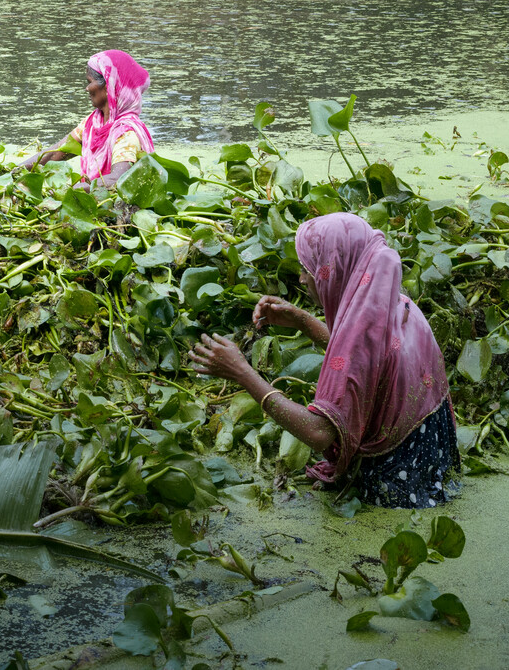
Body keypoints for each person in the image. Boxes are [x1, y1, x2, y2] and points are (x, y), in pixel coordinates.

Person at [187, 212, 457, 508]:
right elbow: (367, 358)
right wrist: (303, 320)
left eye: (309, 269)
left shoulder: (358, 333)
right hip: (432, 460)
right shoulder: (398, 304)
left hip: (397, 482)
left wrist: (241, 372)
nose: (302, 278)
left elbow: (319, 433)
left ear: (335, 270)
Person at [17, 50, 155, 186]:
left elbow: (118, 179)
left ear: (109, 87)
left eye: (90, 82)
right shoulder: (94, 122)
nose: (87, 88)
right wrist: (14, 171)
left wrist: (77, 189)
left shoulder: (125, 132)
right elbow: (55, 154)